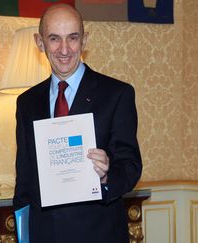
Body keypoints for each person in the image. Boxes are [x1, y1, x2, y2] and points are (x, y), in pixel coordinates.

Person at [13, 4, 142, 243]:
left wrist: (106, 176)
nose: (64, 49)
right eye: (54, 39)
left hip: (99, 233)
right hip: (45, 234)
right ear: (40, 43)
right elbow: (24, 178)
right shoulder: (27, 103)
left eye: (72, 38)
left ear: (85, 40)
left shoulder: (117, 94)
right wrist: (23, 235)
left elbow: (131, 166)